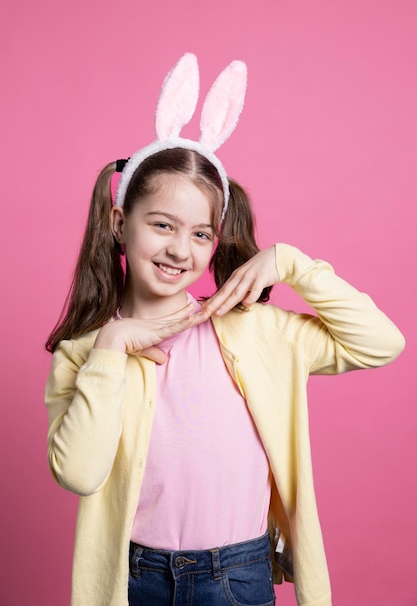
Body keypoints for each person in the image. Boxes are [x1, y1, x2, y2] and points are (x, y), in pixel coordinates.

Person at [44, 54, 405, 606]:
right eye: (161, 225)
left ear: (215, 242)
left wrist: (290, 263)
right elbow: (80, 473)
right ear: (120, 224)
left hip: (240, 573)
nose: (178, 250)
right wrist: (112, 346)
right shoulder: (85, 355)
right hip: (136, 578)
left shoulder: (256, 331)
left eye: (200, 234)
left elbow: (382, 342)